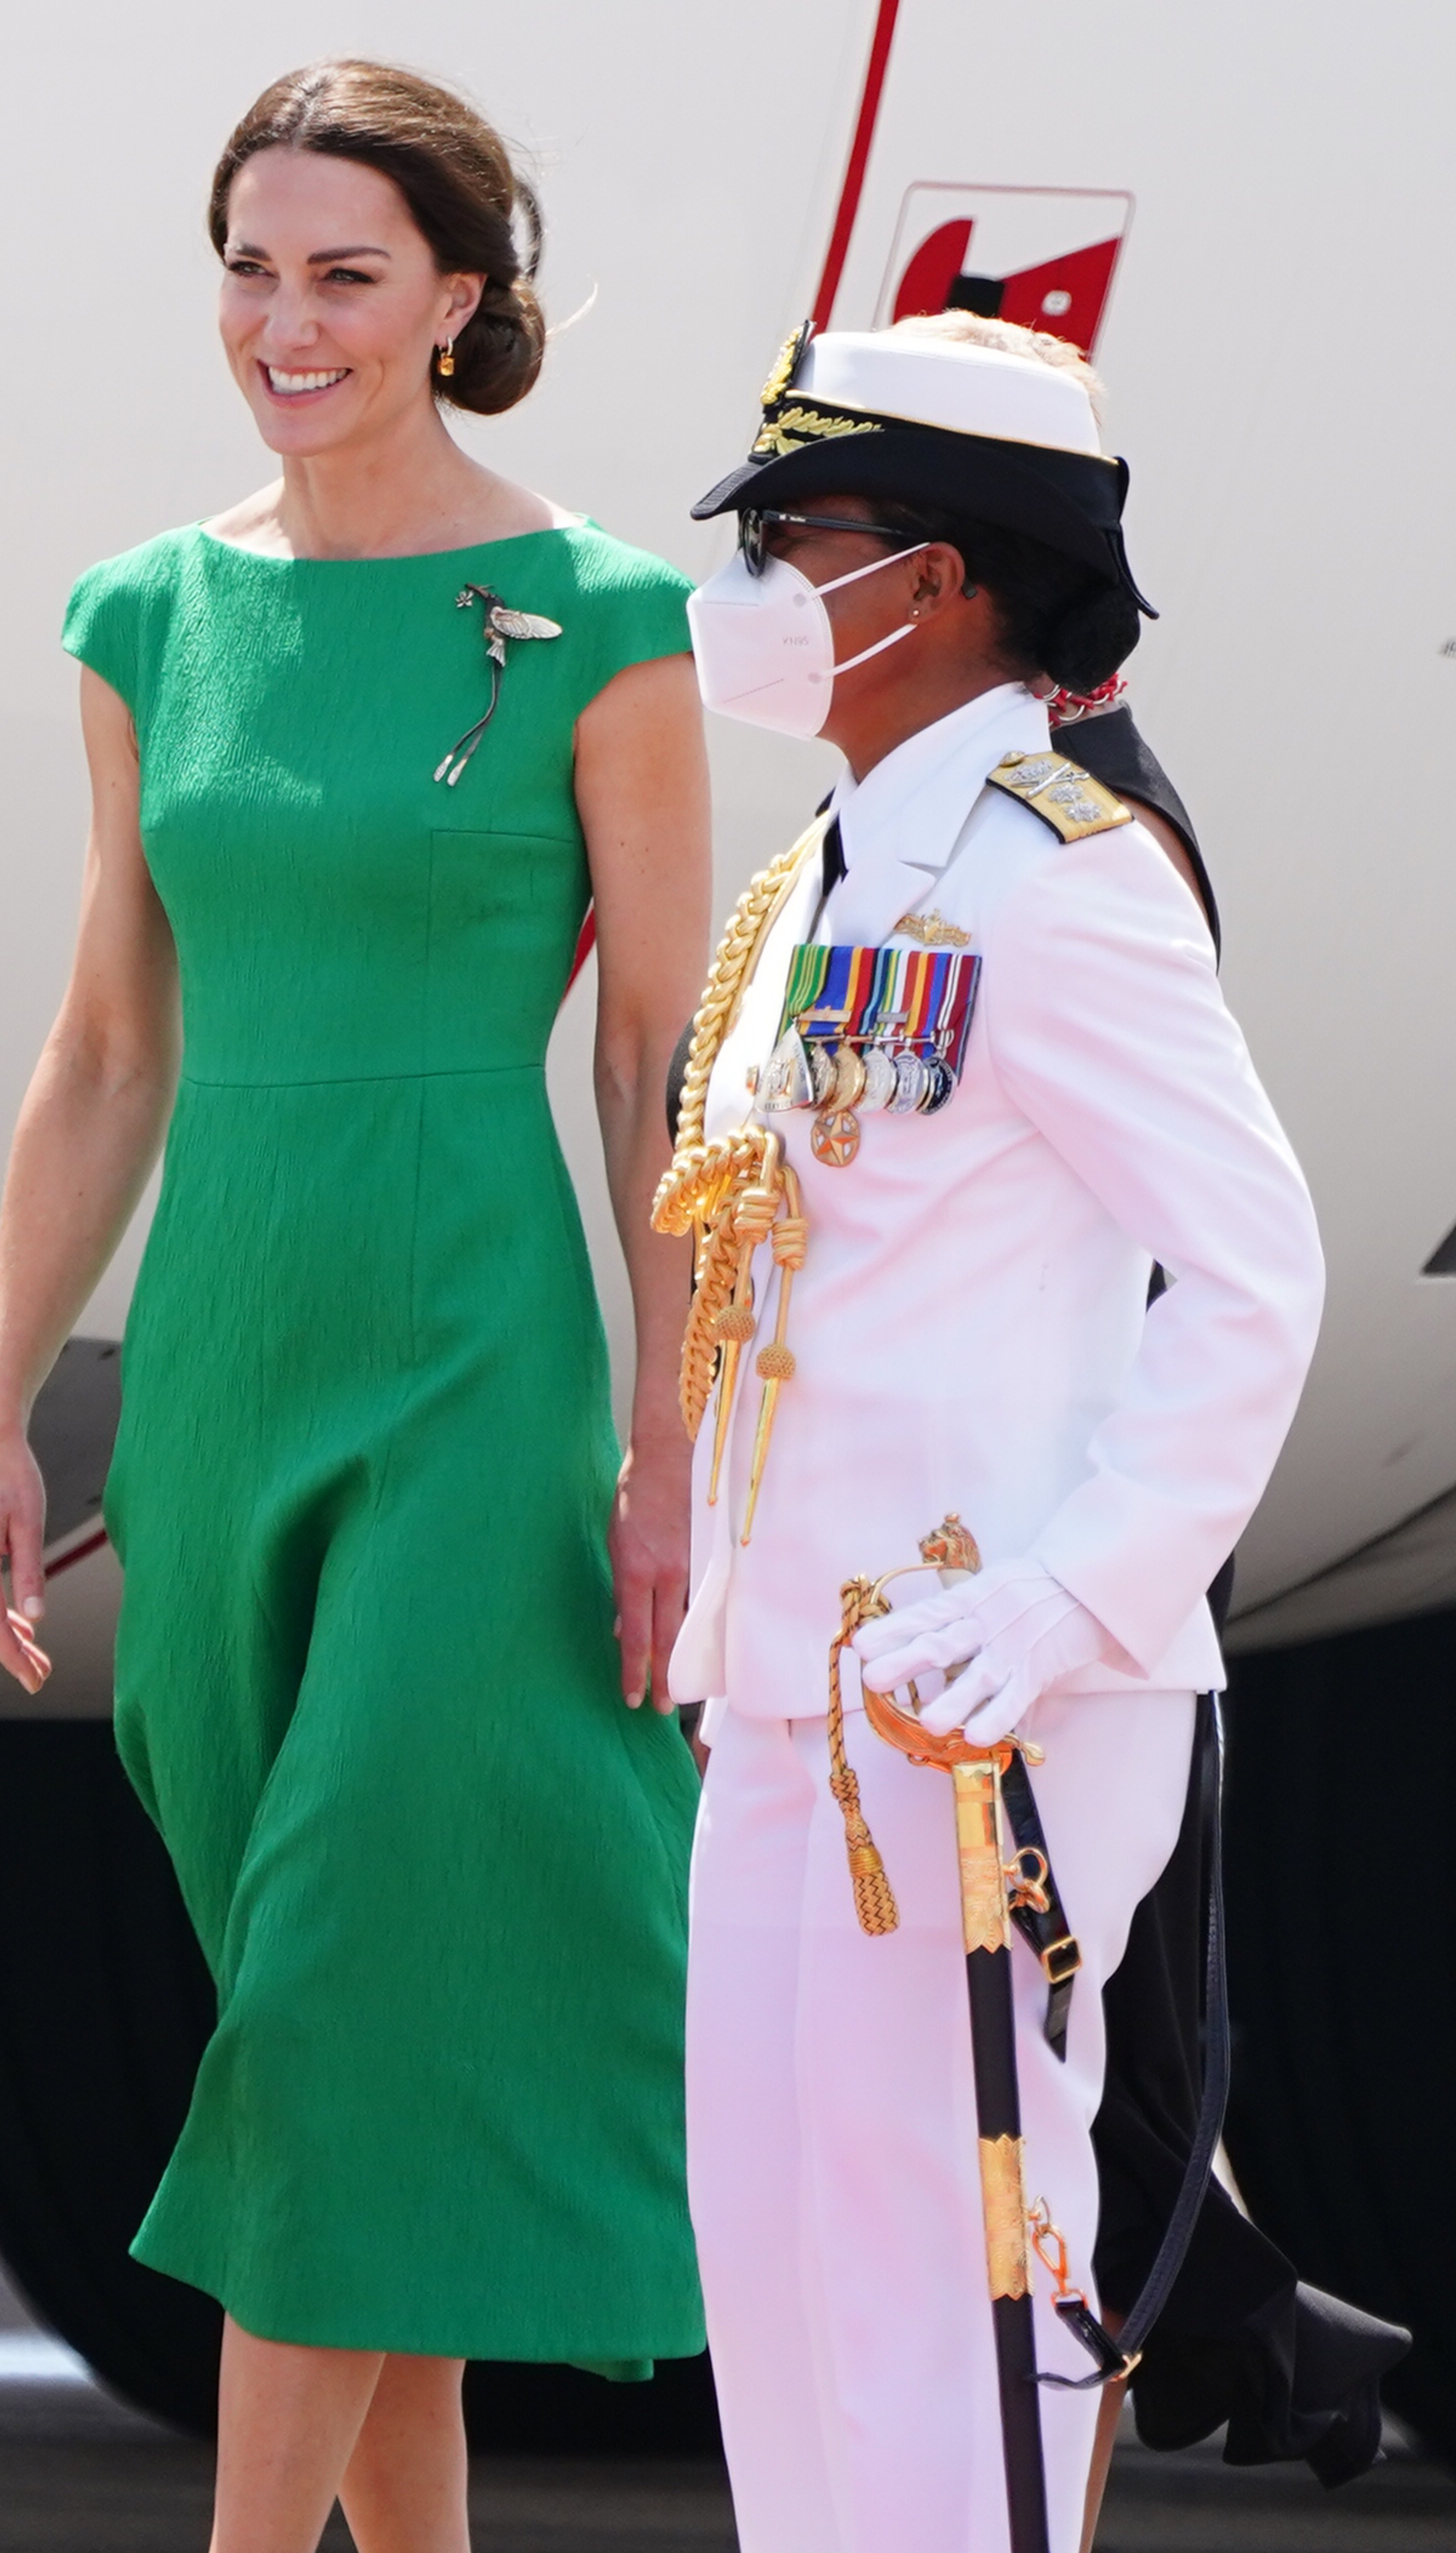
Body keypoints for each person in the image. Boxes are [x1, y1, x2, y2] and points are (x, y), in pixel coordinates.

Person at [0, 58, 709, 2553]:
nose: (286, 321)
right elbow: (104, 1049)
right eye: (252, 267)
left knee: (350, 2010)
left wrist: (675, 1443)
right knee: (331, 2045)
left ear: (460, 299)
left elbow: (652, 1060)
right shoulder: (145, 617)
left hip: (474, 1382)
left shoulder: (602, 620)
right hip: (223, 1374)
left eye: (346, 273)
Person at [659, 314, 1328, 2553]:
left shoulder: (1062, 875)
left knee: (960, 2280)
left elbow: (1250, 1270)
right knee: (779, 2275)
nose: (745, 587)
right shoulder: (817, 883)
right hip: (789, 1690)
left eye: (790, 538)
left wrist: (1065, 1602)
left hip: (980, 1702)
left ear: (932, 578)